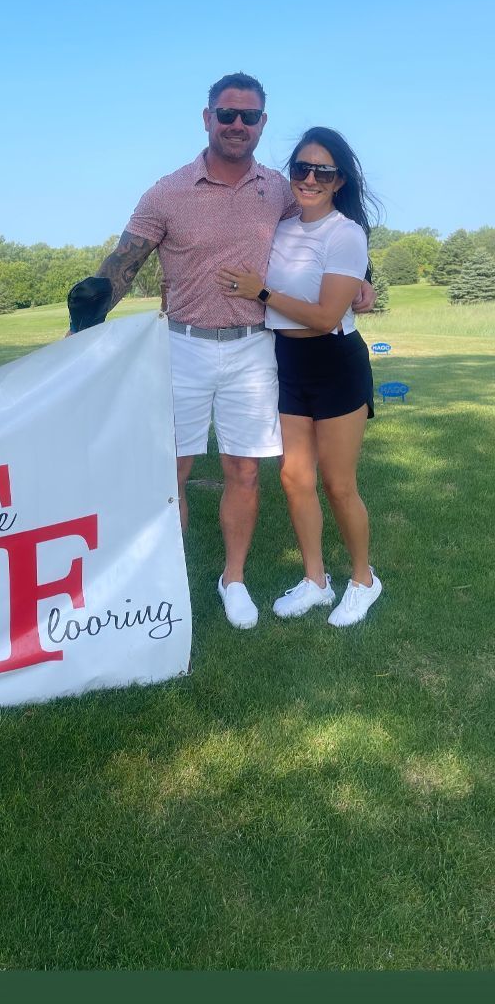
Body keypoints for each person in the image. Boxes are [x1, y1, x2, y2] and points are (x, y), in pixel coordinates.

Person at [85, 73, 375, 630]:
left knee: (243, 472)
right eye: (227, 114)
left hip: (253, 350)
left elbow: (330, 229)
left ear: (263, 124)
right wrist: (87, 315)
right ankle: (160, 580)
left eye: (249, 116)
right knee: (171, 472)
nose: (237, 125)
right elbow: (124, 263)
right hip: (183, 346)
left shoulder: (282, 188)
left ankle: (233, 579)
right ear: (207, 118)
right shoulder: (166, 191)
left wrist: (366, 280)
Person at [217, 127, 382, 627]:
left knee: (338, 483)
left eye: (322, 171)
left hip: (334, 363)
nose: (309, 178)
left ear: (339, 181)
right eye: (301, 169)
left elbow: (326, 316)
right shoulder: (283, 225)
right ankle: (315, 580)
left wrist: (261, 293)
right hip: (286, 363)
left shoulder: (345, 232)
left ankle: (363, 581)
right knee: (294, 478)